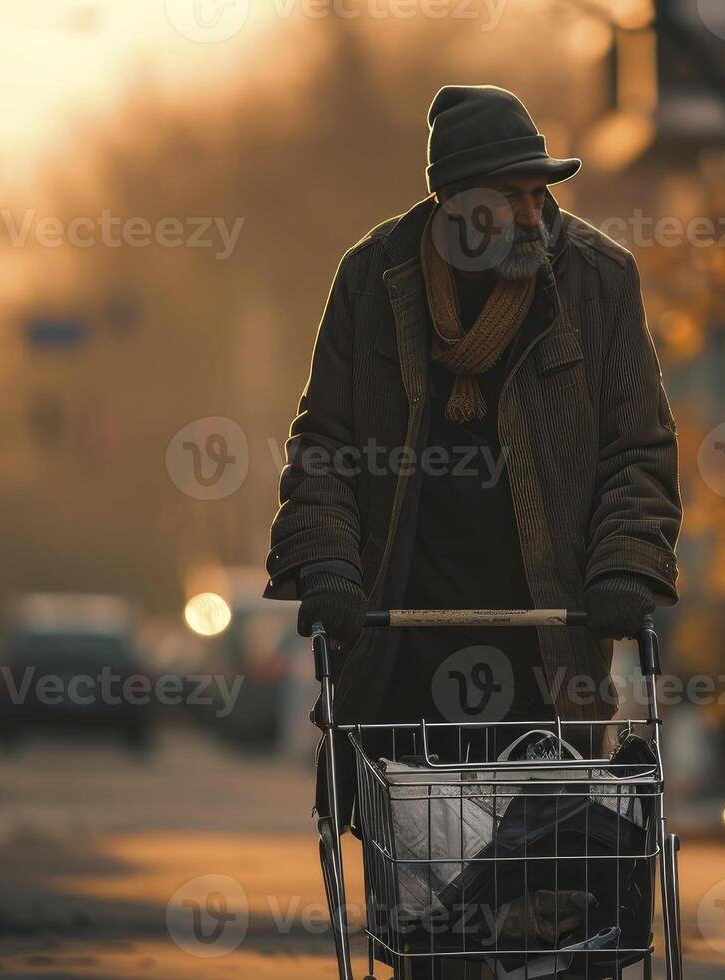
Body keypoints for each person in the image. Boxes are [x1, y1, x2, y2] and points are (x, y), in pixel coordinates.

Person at [264, 84, 681, 976]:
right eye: (507, 197)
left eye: (539, 193)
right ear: (452, 204)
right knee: (432, 928)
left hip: (548, 651)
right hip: (403, 652)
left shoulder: (597, 282)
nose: (531, 214)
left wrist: (624, 567)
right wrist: (328, 564)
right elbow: (325, 444)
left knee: (557, 925)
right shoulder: (372, 281)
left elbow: (638, 451)